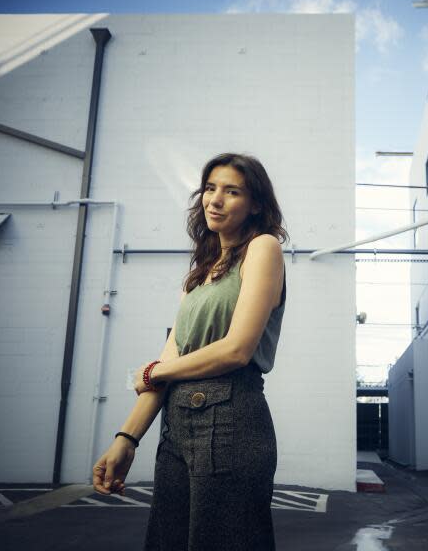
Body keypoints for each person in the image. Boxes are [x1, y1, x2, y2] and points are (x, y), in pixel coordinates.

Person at [92, 152, 288, 550]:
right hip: (176, 426)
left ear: (255, 205)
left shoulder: (263, 248)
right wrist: (126, 438)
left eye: (232, 191)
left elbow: (236, 350)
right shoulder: (200, 270)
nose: (215, 200)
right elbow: (170, 361)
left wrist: (153, 373)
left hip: (231, 419)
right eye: (210, 188)